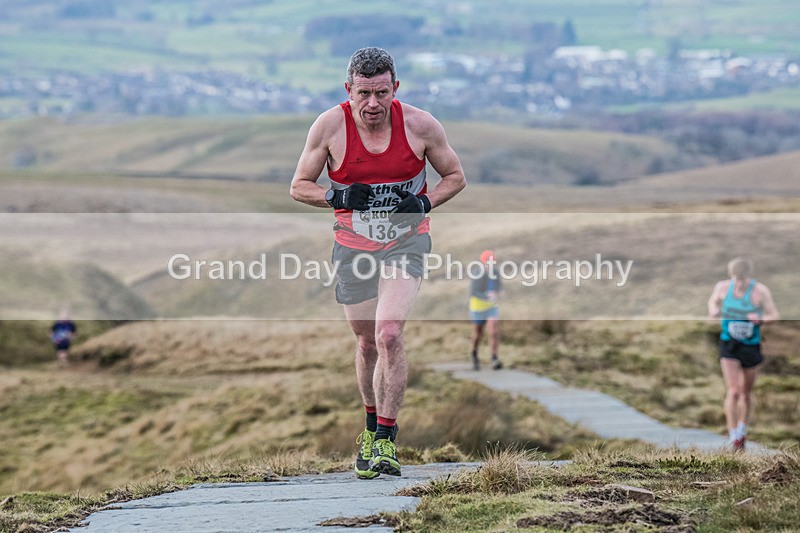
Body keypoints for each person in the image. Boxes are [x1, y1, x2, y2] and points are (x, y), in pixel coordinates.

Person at [289, 47, 466, 478]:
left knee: (389, 334)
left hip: (405, 244)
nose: (373, 104)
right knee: (367, 342)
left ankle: (386, 441)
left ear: (395, 89)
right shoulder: (330, 127)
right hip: (352, 247)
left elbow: (455, 177)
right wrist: (337, 196)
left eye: (381, 93)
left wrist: (422, 201)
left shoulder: (422, 126)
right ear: (348, 89)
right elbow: (298, 186)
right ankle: (370, 427)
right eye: (363, 93)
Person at [707, 257, 778, 451]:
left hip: (750, 346)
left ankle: (742, 429)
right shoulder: (723, 288)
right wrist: (713, 310)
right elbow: (713, 300)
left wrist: (761, 319)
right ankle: (734, 437)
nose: (739, 283)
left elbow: (774, 315)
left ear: (749, 277)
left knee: (746, 394)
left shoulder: (759, 291)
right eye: (736, 279)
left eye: (742, 280)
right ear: (731, 277)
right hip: (729, 344)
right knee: (734, 391)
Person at [469, 250, 503, 371]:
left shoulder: (496, 272)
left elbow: (499, 287)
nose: (491, 264)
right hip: (477, 308)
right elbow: (473, 292)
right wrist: (486, 296)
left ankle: (494, 358)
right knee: (478, 333)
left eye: (492, 262)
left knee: (493, 331)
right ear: (483, 262)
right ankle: (474, 353)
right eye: (488, 262)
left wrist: (498, 293)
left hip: (491, 307)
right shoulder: (477, 274)